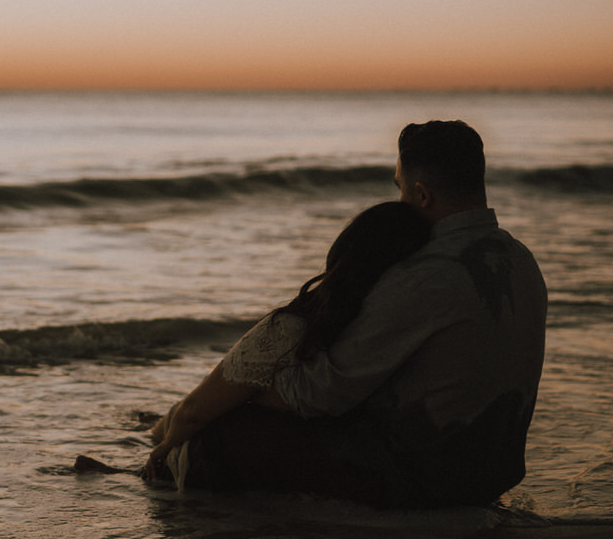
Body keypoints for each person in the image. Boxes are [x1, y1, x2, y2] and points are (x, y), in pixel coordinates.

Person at [142, 120, 547, 508]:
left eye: (401, 189)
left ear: (422, 195)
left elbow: (324, 392)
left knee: (222, 433)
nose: (399, 202)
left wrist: (244, 389)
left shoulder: (426, 275)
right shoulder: (520, 258)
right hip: (491, 471)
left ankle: (152, 489)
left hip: (428, 481)